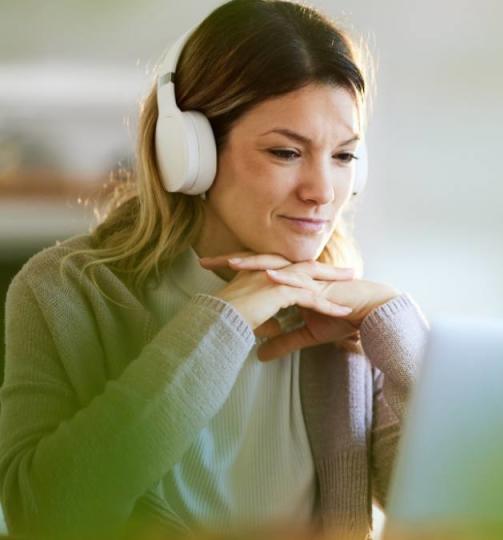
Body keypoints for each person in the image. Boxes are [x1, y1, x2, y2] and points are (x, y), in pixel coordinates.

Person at [0, 1, 429, 538]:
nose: (322, 192)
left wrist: (401, 334)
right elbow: (43, 514)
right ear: (190, 152)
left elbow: (457, 507)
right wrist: (222, 323)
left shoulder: (340, 310)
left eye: (343, 156)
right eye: (285, 153)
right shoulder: (64, 291)